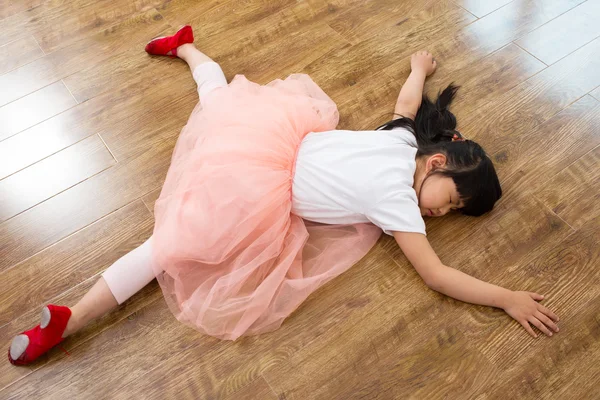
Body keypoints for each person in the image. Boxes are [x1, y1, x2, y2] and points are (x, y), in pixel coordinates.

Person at [8, 25, 559, 366]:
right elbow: (437, 276)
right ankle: (187, 49)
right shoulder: (398, 196)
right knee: (171, 242)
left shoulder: (401, 143)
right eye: (452, 200)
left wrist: (417, 68)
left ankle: (188, 48)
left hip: (267, 145)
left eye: (452, 214)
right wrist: (506, 297)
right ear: (437, 162)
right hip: (260, 179)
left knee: (219, 108)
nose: (440, 213)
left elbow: (406, 104)